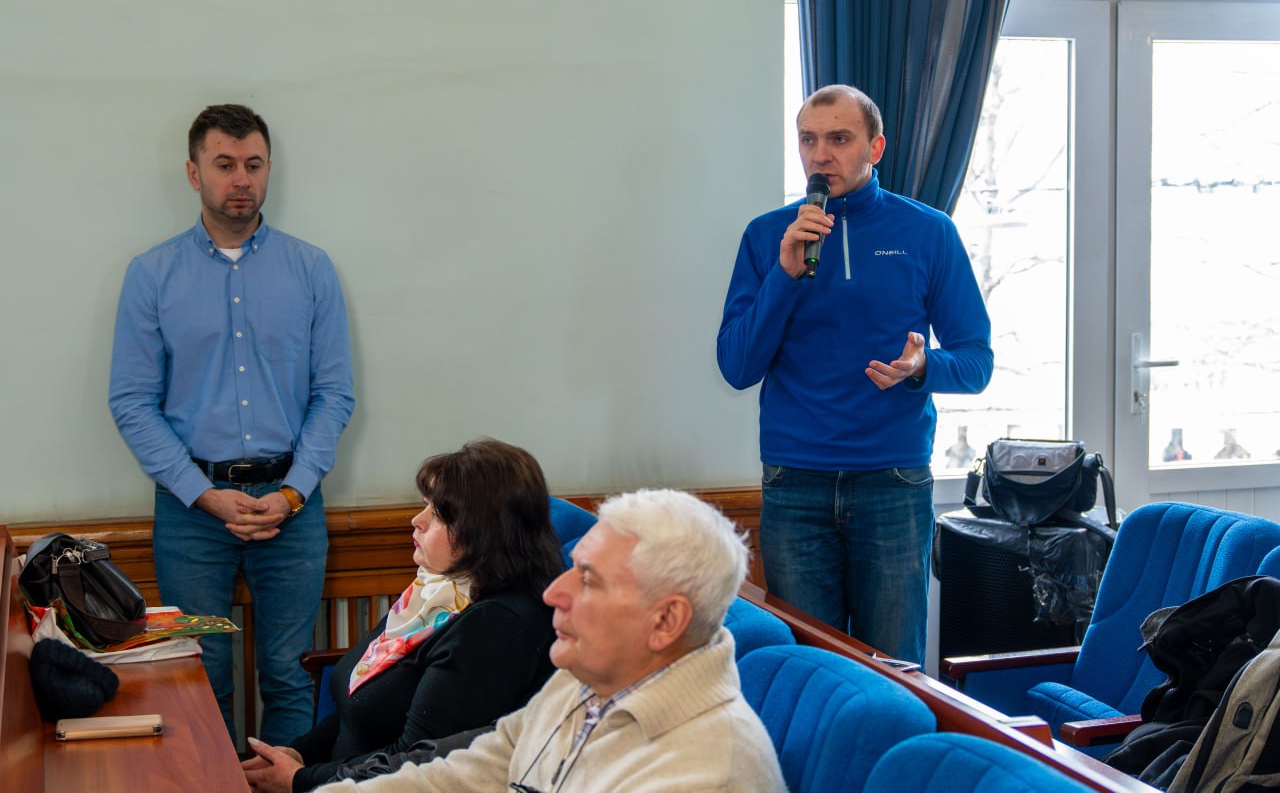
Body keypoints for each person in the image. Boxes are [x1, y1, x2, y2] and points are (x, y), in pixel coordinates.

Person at [717, 84, 993, 664]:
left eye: (839, 139)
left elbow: (976, 362)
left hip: (893, 483)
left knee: (894, 670)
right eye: (808, 140)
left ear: (875, 148)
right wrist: (784, 276)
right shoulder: (768, 236)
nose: (820, 156)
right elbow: (737, 367)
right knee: (809, 671)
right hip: (795, 484)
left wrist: (923, 367)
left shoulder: (928, 232)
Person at [108, 104, 356, 744]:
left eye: (253, 164)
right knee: (200, 675)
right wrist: (203, 494)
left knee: (291, 675)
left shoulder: (311, 268)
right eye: (224, 164)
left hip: (292, 506)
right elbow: (132, 401)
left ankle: (281, 781)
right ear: (194, 173)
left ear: (269, 169)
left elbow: (333, 393)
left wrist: (292, 492)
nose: (241, 179)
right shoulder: (152, 274)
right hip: (191, 512)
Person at [265, 488, 786, 792]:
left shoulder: (704, 772)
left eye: (589, 580)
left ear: (666, 621)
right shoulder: (590, 683)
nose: (555, 592)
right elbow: (470, 771)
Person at [241, 439, 562, 792]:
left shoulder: (496, 625)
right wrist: (300, 754)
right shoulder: (438, 589)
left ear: (484, 531)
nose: (416, 520)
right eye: (425, 505)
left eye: (438, 515)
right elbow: (360, 711)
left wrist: (301, 779)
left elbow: (419, 764)